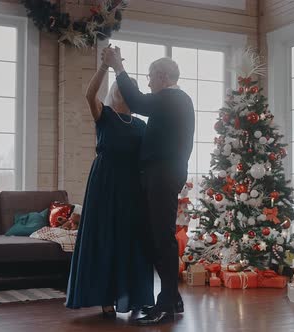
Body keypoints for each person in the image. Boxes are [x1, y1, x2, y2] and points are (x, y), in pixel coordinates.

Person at [102, 47, 195, 325]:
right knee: (153, 236)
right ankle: (172, 298)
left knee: (161, 238)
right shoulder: (171, 101)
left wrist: (118, 68)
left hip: (162, 175)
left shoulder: (173, 98)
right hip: (159, 174)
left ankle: (166, 305)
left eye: (150, 77)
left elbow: (138, 102)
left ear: (163, 76)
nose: (148, 82)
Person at [65, 54, 154, 318]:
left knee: (131, 240)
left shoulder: (141, 125)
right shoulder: (104, 115)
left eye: (124, 88)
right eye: (117, 87)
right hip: (104, 183)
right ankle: (105, 297)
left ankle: (137, 297)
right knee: (104, 238)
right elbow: (89, 93)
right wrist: (105, 66)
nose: (119, 91)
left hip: (132, 186)